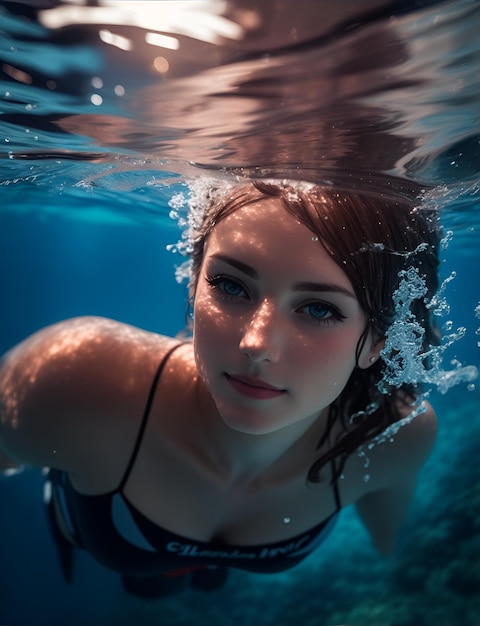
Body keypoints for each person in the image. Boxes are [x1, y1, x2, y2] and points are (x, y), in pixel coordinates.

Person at [0, 179, 439, 597]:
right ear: (193, 284)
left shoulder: (393, 435)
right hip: (98, 528)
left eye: (319, 309)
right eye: (230, 285)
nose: (256, 344)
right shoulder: (75, 379)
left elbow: (389, 544)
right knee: (146, 582)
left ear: (379, 341)